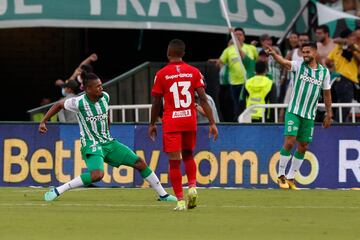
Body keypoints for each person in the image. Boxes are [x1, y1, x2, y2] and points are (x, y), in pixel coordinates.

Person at [39, 70, 177, 203]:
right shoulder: (78, 102)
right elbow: (58, 105)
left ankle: (163, 195)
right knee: (97, 175)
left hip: (108, 142)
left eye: (101, 85)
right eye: (97, 86)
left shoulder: (105, 97)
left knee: (139, 162)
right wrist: (43, 121)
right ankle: (58, 190)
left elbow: (105, 115)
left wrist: (107, 126)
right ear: (88, 89)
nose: (101, 88)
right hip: (91, 143)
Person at [148, 39, 218, 211]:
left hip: (172, 121)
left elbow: (156, 102)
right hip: (189, 120)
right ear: (183, 53)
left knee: (174, 162)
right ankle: (193, 187)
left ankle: (180, 200)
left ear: (168, 53)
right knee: (188, 155)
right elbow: (202, 99)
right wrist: (212, 122)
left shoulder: (162, 74)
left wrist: (152, 123)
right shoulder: (193, 72)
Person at [265, 41, 333, 190]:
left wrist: (329, 113)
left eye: (308, 52)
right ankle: (281, 175)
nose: (305, 55)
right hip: (294, 111)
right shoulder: (298, 66)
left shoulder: (324, 73)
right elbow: (283, 61)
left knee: (303, 146)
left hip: (309, 115)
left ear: (315, 52)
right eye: (303, 52)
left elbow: (327, 94)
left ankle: (291, 177)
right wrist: (274, 54)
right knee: (290, 141)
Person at [326, 29, 360, 122]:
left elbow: (327, 61)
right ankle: (338, 127)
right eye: (353, 36)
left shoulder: (338, 48)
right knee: (344, 106)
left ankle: (336, 123)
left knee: (340, 105)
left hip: (338, 79)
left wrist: (333, 67)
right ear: (349, 37)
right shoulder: (350, 46)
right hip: (346, 79)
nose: (355, 37)